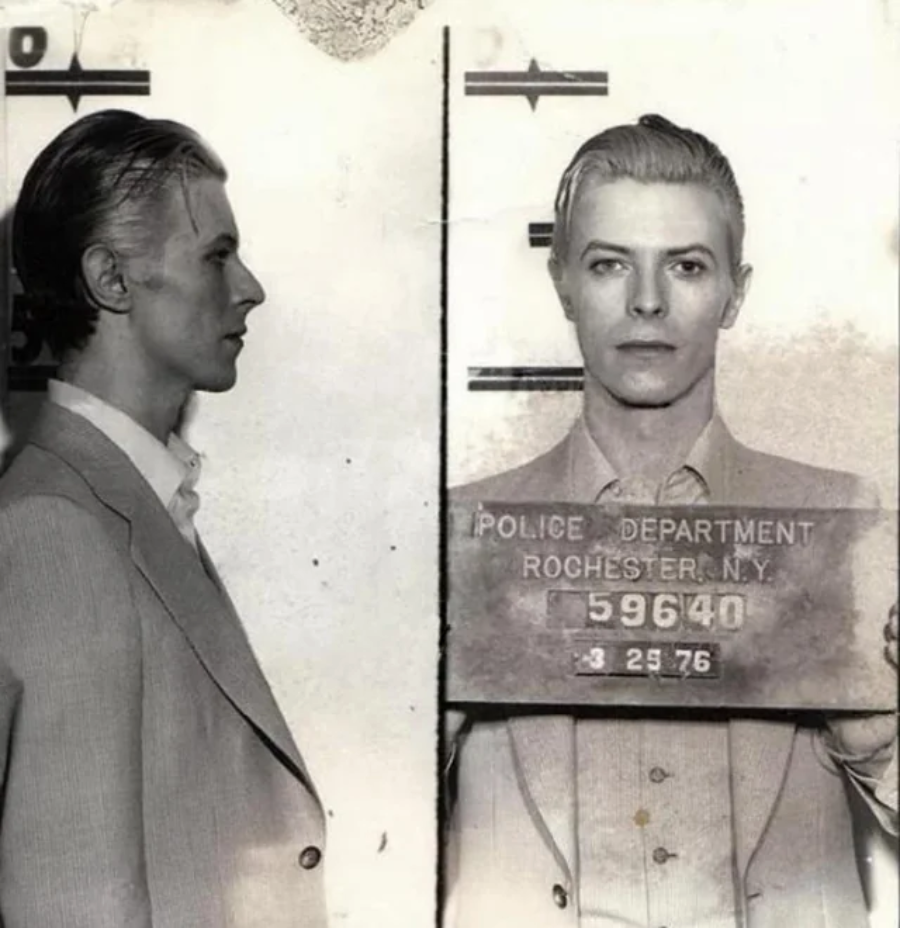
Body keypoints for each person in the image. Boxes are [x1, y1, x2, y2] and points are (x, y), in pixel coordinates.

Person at [445, 114, 897, 927]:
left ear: (735, 293)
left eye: (686, 266)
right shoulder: (456, 538)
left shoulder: (845, 526)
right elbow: (353, 824)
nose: (647, 302)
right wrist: (421, 713)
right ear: (562, 286)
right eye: (610, 264)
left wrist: (879, 732)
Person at [0, 110, 327, 927]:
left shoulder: (124, 501)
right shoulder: (57, 529)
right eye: (216, 256)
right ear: (111, 280)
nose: (250, 286)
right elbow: (71, 903)